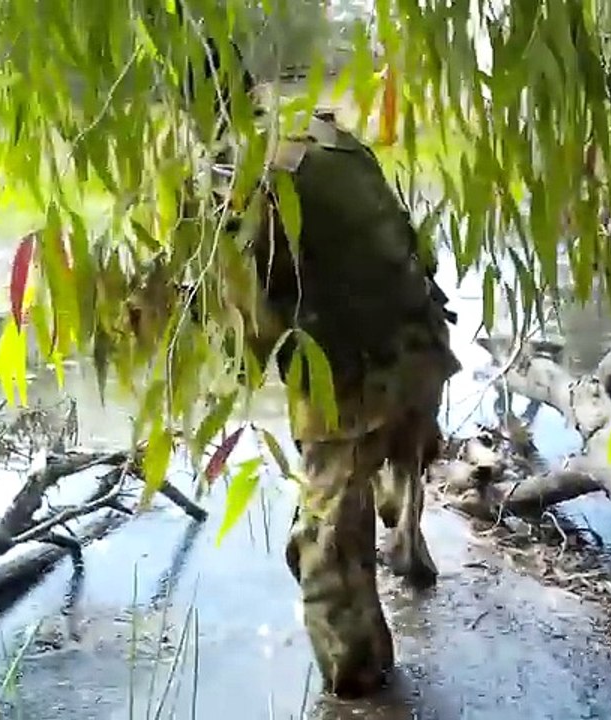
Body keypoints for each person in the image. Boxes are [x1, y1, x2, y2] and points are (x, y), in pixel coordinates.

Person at [185, 37, 463, 698]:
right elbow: (398, 233)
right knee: (394, 457)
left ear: (192, 108)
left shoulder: (241, 169)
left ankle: (358, 686)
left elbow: (250, 329)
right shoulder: (319, 131)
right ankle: (410, 556)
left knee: (323, 544)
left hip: (356, 375)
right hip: (422, 342)